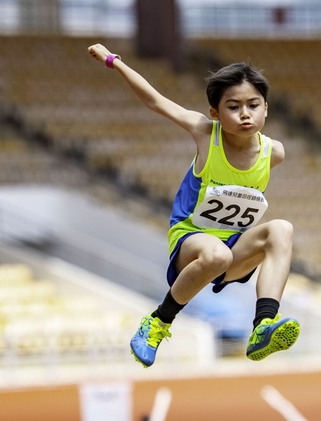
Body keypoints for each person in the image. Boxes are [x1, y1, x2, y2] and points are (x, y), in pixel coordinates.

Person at [88, 43, 300, 367]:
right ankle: (158, 322)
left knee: (282, 229)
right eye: (233, 106)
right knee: (217, 253)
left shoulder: (275, 153)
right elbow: (154, 101)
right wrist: (114, 62)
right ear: (216, 113)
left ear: (266, 109)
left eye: (253, 105)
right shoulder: (205, 133)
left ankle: (263, 326)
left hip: (234, 246)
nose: (245, 113)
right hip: (192, 237)